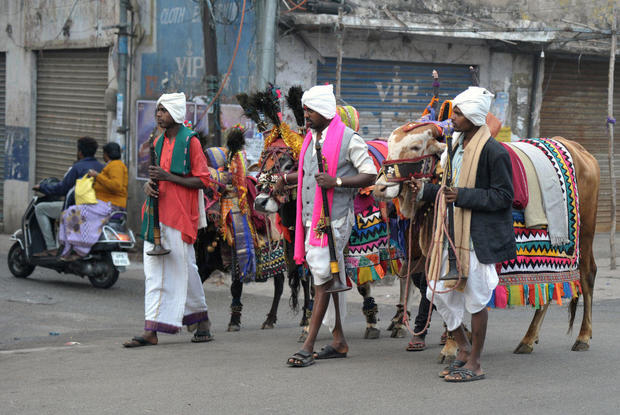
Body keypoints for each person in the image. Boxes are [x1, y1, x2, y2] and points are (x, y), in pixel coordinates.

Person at [411, 86, 515, 382]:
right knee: (434, 289)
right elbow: (449, 188)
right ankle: (465, 348)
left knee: (476, 299)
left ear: (473, 116)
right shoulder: (455, 144)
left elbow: (504, 196)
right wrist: (425, 191)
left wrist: (464, 196)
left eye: (457, 112)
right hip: (449, 231)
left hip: (476, 238)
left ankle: (476, 364)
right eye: (454, 112)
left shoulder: (494, 151)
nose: (452, 117)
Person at [282, 84, 377, 367]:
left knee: (322, 277)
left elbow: (370, 174)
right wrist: (287, 179)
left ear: (324, 110)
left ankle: (309, 345)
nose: (305, 115)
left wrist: (337, 182)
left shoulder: (350, 139)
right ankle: (338, 341)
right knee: (325, 275)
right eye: (304, 109)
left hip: (335, 219)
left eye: (309, 110)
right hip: (311, 219)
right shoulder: (311, 138)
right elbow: (311, 176)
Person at [123, 92, 212, 347]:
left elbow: (203, 180)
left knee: (181, 270)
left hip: (181, 216)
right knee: (157, 273)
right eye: (158, 110)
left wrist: (168, 177)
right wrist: (149, 187)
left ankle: (194, 321)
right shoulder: (159, 141)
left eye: (163, 110)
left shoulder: (190, 142)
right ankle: (154, 328)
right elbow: (156, 178)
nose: (158, 114)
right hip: (155, 214)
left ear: (175, 113)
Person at [32, 136, 104, 256]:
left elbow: (62, 188)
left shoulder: (77, 167)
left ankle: (51, 248)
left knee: (40, 208)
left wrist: (42, 187)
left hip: (76, 207)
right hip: (95, 208)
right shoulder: (101, 167)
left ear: (80, 152)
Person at [57, 142, 128, 261]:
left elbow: (116, 186)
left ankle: (78, 248)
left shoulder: (116, 166)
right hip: (106, 203)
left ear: (107, 154)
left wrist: (97, 176)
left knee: (71, 212)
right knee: (76, 212)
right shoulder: (113, 165)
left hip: (109, 205)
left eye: (104, 153)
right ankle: (74, 246)